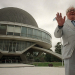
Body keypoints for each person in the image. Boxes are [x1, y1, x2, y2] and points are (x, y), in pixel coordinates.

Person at [54, 6, 75, 75]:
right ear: (66, 14)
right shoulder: (63, 23)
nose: (72, 11)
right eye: (69, 10)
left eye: (73, 10)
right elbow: (57, 35)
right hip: (69, 53)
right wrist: (60, 25)